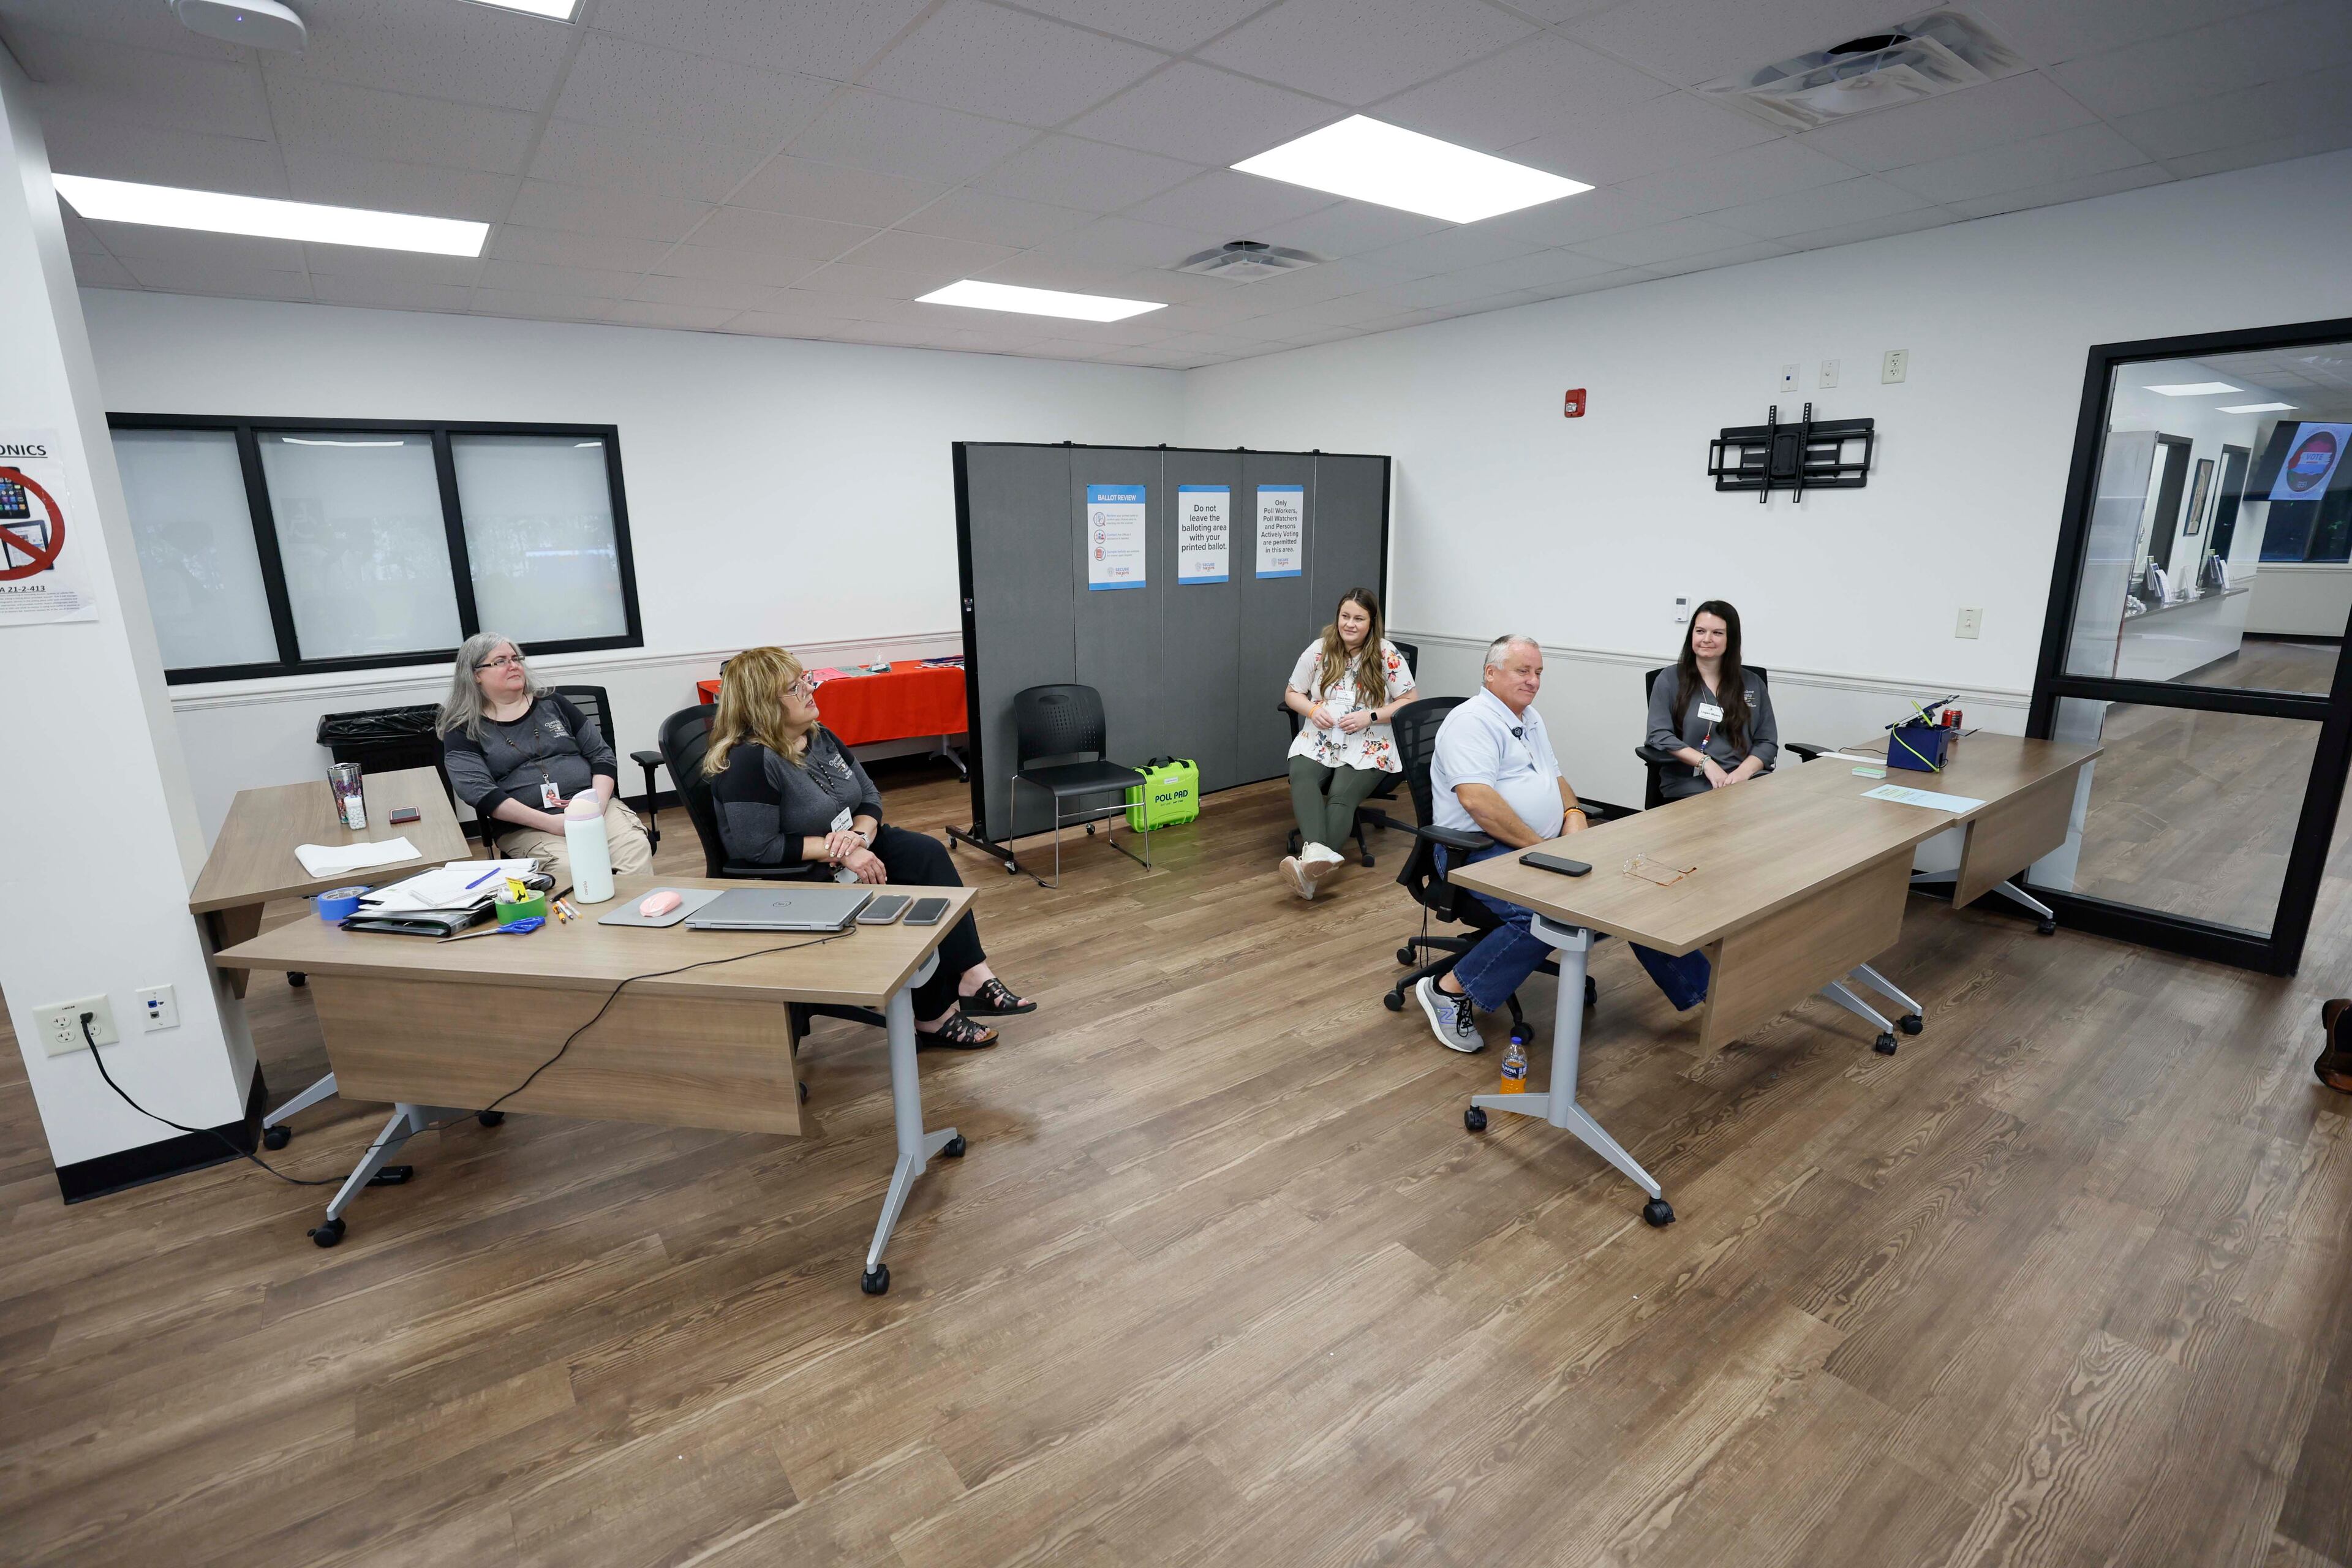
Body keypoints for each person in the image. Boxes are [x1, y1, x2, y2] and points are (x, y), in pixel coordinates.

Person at [703, 646, 1030, 1049]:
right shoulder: (750, 763)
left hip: (842, 849)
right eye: (795, 686)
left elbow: (869, 797)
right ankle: (934, 1016)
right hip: (793, 876)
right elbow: (758, 848)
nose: (809, 688)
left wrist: (858, 837)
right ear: (763, 703)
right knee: (910, 893)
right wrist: (839, 851)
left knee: (925, 853)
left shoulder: (818, 737)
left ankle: (971, 972)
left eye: (805, 678)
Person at [1414, 635, 1712, 1052]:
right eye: (1523, 671)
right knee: (1548, 914)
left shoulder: (1528, 717)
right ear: (1491, 673)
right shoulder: (1472, 722)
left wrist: (1573, 814)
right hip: (1475, 851)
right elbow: (1478, 802)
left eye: (1538, 673)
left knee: (1634, 889)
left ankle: (1707, 994)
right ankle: (1448, 991)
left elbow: (1556, 779)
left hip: (1540, 843)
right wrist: (1545, 850)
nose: (1534, 681)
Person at [439, 633, 654, 890]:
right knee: (571, 870)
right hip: (528, 826)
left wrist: (594, 806)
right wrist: (552, 823)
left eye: (515, 658)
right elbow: (478, 792)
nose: (514, 665)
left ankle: (636, 920)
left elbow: (601, 756)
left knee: (634, 848)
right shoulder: (463, 728)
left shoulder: (554, 704)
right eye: (500, 661)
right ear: (475, 674)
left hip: (594, 809)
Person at [1279, 587, 1416, 900]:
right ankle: (1314, 865)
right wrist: (1313, 710)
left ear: (1371, 622)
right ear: (1337, 616)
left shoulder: (1386, 654)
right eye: (1345, 616)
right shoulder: (1318, 650)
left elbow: (1409, 701)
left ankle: (1308, 873)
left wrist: (1371, 716)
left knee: (1341, 795)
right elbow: (1292, 693)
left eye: (1359, 618)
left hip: (1368, 740)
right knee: (1302, 776)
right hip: (1321, 737)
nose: (1350, 624)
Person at [1646, 600, 1778, 802]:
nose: (1707, 639)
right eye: (1700, 631)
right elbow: (1659, 735)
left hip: (1747, 781)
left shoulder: (1753, 683)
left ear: (1731, 639)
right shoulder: (1670, 679)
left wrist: (1742, 774)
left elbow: (1767, 742)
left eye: (1717, 633)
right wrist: (1706, 763)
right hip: (1691, 782)